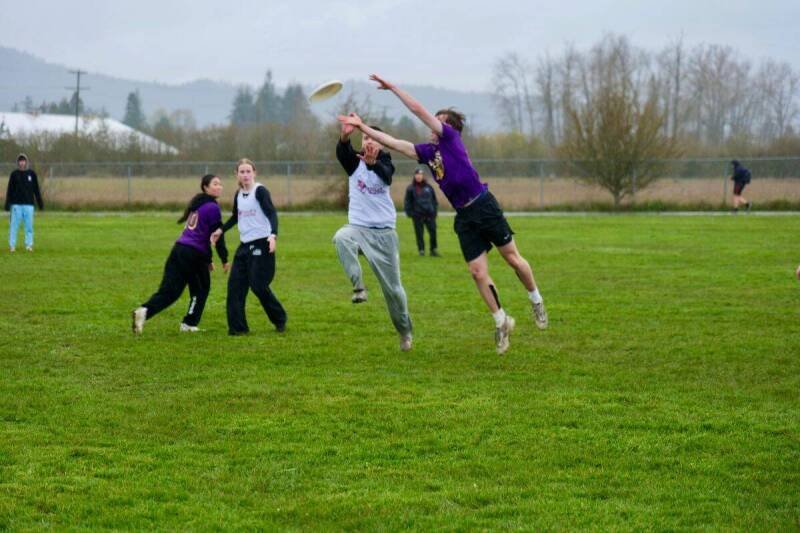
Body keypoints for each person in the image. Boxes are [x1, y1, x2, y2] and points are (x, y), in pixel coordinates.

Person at [338, 74, 548, 355]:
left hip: (484, 205)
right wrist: (362, 126)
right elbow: (393, 141)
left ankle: (535, 299)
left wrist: (393, 89)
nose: (431, 124)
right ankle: (501, 321)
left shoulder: (450, 138)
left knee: (512, 259)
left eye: (438, 120)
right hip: (464, 216)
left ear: (448, 126)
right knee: (476, 272)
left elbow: (417, 110)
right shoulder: (428, 152)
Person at [333, 121, 414, 351]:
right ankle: (359, 287)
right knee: (341, 237)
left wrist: (373, 164)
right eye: (365, 138)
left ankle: (405, 332)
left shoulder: (386, 161)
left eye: (373, 138)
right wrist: (344, 137)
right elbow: (342, 152)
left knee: (394, 291)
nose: (368, 141)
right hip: (359, 229)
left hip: (385, 234)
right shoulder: (354, 161)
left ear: (381, 142)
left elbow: (387, 176)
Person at [132, 174, 229, 334]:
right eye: (215, 184)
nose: (219, 186)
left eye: (220, 184)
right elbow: (217, 236)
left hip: (179, 250)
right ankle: (189, 324)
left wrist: (208, 258)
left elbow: (200, 233)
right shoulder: (212, 207)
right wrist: (224, 259)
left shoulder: (199, 204)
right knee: (201, 289)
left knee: (170, 291)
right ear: (205, 187)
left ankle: (143, 311)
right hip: (193, 254)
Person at [211, 158, 287, 336]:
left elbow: (271, 213)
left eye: (248, 171)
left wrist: (273, 235)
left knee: (258, 285)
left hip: (262, 242)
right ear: (236, 174)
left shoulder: (260, 191)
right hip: (244, 246)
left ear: (254, 173)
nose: (245, 175)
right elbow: (235, 217)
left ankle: (279, 318)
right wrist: (220, 230)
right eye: (242, 172)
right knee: (235, 287)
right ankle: (238, 329)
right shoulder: (238, 194)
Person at [5, 153, 44, 252]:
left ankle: (29, 245)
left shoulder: (32, 174)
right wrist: (7, 203)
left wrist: (40, 202)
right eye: (20, 161)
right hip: (16, 205)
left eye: (23, 161)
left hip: (29, 205)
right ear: (18, 162)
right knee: (14, 226)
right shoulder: (14, 174)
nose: (22, 163)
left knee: (29, 226)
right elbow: (10, 189)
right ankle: (12, 246)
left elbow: (36, 189)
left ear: (26, 162)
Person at [404, 167, 439, 256]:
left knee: (433, 232)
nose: (418, 176)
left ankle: (433, 250)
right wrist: (410, 213)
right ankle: (421, 250)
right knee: (419, 234)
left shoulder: (429, 187)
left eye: (420, 175)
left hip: (429, 214)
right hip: (417, 215)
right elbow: (407, 202)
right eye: (417, 175)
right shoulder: (411, 188)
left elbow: (434, 200)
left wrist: (434, 211)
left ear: (423, 176)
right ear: (414, 176)